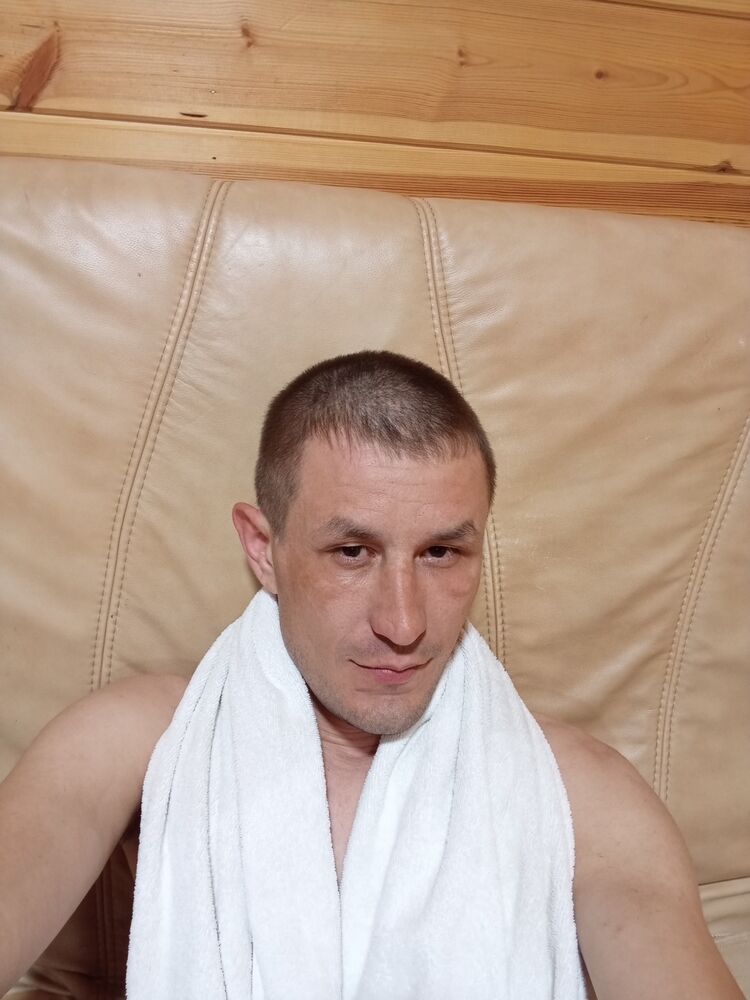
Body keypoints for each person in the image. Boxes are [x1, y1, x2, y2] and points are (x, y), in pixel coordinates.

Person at [0, 352, 743, 1000]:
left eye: (441, 554)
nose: (404, 623)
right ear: (262, 548)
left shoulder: (585, 797)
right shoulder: (137, 740)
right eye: (352, 552)